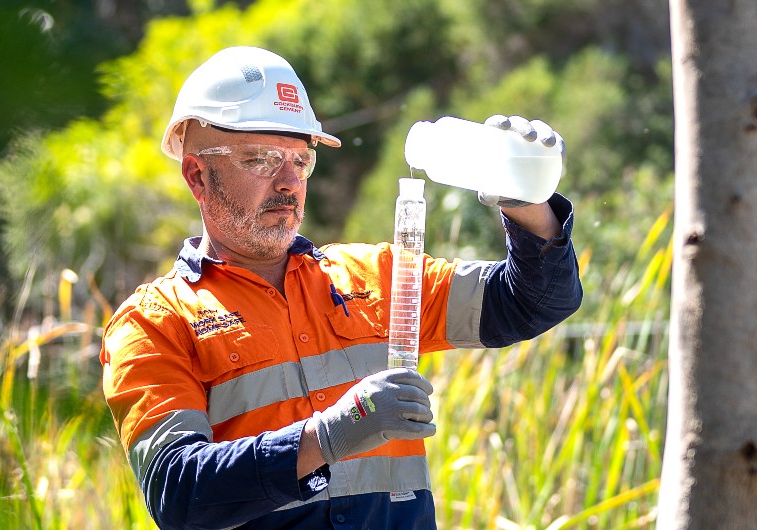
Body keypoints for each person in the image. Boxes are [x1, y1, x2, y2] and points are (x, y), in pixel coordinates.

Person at [99, 45, 582, 530]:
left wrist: (527, 203)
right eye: (262, 160)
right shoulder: (153, 323)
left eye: (301, 161)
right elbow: (179, 494)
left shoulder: (377, 274)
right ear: (197, 175)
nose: (289, 182)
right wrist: (333, 433)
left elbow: (532, 303)